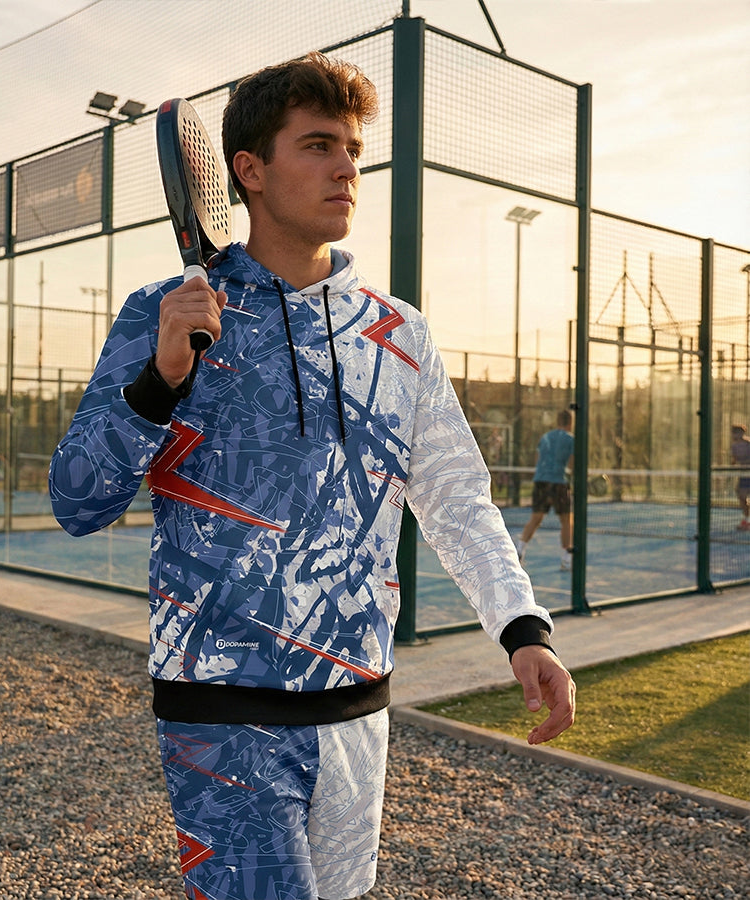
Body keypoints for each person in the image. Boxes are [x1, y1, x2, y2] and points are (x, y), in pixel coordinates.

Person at [49, 53, 575, 900]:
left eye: (355, 150)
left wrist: (523, 630)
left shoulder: (400, 333)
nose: (347, 169)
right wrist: (159, 381)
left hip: (360, 709)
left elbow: (456, 499)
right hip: (220, 716)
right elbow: (76, 501)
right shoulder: (165, 314)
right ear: (249, 171)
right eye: (320, 145)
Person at [515, 409, 575, 570]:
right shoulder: (571, 439)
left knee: (535, 518)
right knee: (566, 521)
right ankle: (567, 558)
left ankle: (519, 550)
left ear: (557, 421)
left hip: (541, 481)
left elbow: (538, 459)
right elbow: (572, 464)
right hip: (559, 483)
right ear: (570, 422)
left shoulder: (545, 437)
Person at [731, 423, 750, 531]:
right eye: (734, 432)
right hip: (743, 475)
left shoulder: (748, 443)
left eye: (738, 432)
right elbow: (734, 461)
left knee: (742, 494)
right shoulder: (734, 446)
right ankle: (746, 520)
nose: (735, 434)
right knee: (741, 495)